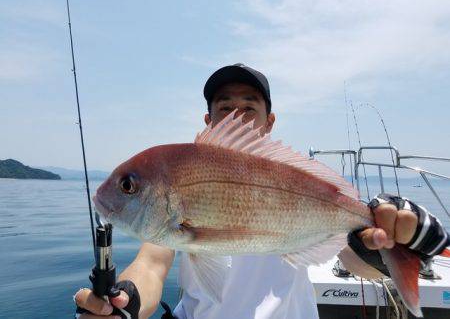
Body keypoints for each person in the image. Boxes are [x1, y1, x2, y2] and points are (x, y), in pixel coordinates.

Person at [74, 64, 450, 319]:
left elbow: (352, 259)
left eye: (249, 106)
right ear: (209, 120)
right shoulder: (179, 181)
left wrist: (383, 248)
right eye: (225, 107)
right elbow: (152, 266)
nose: (237, 115)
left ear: (269, 122)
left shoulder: (296, 183)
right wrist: (127, 300)